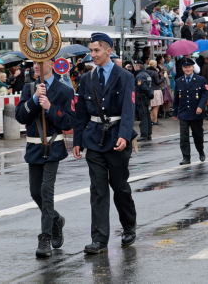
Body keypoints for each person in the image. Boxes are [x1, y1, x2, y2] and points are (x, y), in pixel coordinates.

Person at [73, 33, 138, 254]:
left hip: (116, 137)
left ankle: (129, 226)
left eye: (96, 50)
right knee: (98, 190)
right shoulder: (86, 79)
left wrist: (125, 135)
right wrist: (77, 140)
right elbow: (80, 112)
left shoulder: (124, 76)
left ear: (108, 50)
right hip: (94, 139)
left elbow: (129, 110)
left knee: (120, 187)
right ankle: (99, 240)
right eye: (90, 51)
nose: (92, 55)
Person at [15, 59, 75, 258]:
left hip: (53, 145)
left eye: (40, 63)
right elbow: (20, 116)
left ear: (51, 63)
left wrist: (49, 107)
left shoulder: (64, 90)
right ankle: (56, 219)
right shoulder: (28, 88)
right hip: (34, 146)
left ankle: (45, 237)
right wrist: (33, 100)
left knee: (46, 191)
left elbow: (67, 121)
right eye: (34, 64)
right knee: (35, 192)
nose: (36, 67)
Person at [173, 58, 208, 165]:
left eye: (189, 67)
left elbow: (205, 94)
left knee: (197, 135)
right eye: (185, 67)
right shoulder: (179, 81)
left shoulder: (201, 79)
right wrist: (175, 112)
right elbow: (176, 98)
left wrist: (201, 106)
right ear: (182, 69)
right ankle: (186, 157)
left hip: (196, 113)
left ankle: (200, 151)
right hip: (183, 113)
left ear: (193, 68)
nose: (187, 69)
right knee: (183, 137)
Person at [133, 61, 153, 141]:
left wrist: (149, 93)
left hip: (141, 97)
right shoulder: (147, 74)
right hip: (146, 98)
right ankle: (148, 134)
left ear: (138, 66)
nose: (134, 67)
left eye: (135, 65)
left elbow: (143, 87)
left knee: (143, 116)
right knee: (147, 116)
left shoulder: (140, 76)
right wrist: (150, 94)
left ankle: (144, 134)